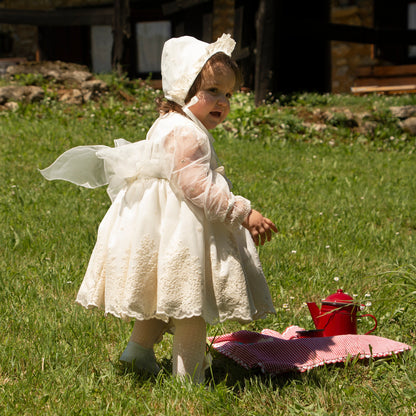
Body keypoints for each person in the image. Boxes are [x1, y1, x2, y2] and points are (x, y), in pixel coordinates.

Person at [40, 34, 277, 383]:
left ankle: (137, 353)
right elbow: (196, 187)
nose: (223, 102)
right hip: (182, 232)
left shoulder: (171, 123)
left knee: (167, 295)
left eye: (228, 94)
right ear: (184, 88)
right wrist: (242, 212)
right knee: (189, 305)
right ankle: (189, 379)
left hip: (160, 226)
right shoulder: (187, 133)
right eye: (212, 91)